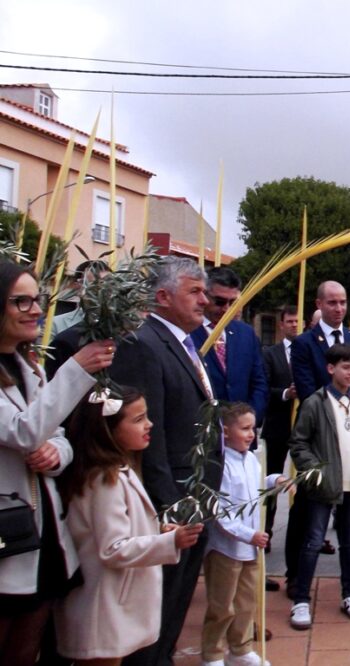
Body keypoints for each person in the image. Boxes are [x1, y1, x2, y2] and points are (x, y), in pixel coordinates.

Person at [109, 256, 223, 666]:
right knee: (158, 607)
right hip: (173, 502)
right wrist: (169, 506)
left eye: (204, 291)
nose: (205, 300)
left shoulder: (184, 342)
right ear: (162, 296)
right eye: (194, 291)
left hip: (196, 497)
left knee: (176, 604)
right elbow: (144, 435)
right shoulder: (143, 344)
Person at [0, 262, 115, 666]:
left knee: (28, 648)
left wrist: (56, 455)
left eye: (37, 299)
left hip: (43, 535)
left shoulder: (28, 366)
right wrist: (76, 370)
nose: (34, 309)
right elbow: (23, 431)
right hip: (6, 541)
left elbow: (55, 435)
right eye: (21, 301)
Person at [55, 388, 203, 664]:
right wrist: (170, 542)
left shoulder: (120, 469)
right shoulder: (103, 480)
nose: (149, 424)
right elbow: (112, 548)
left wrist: (158, 530)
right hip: (104, 606)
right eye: (138, 419)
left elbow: (121, 525)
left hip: (116, 602)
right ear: (109, 429)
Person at [286, 281, 350, 595]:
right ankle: (296, 573)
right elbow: (308, 388)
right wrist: (333, 417)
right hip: (319, 438)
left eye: (342, 303)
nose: (338, 308)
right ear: (319, 303)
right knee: (307, 509)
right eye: (332, 303)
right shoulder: (305, 343)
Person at [287, 344, 350, 629]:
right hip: (323, 487)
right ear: (331, 369)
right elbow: (299, 443)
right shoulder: (315, 402)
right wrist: (316, 473)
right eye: (345, 367)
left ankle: (349, 594)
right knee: (313, 541)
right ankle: (301, 599)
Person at [201, 402, 282, 666]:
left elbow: (256, 487)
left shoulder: (251, 459)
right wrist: (248, 534)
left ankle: (240, 649)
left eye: (253, 429)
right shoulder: (220, 464)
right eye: (245, 428)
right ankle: (212, 653)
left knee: (247, 602)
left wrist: (274, 481)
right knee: (222, 605)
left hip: (250, 548)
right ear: (225, 432)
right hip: (226, 548)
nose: (251, 434)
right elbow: (221, 511)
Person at [190, 267, 269, 425]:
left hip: (242, 435)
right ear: (204, 296)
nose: (226, 308)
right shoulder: (188, 333)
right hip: (203, 434)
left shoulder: (246, 334)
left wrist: (248, 420)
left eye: (233, 303)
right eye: (219, 302)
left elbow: (259, 382)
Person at [260, 305, 299, 587]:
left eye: (298, 320)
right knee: (272, 483)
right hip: (277, 425)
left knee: (304, 483)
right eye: (289, 321)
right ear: (281, 324)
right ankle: (267, 531)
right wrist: (286, 393)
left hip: (302, 428)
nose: (294, 325)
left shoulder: (308, 350)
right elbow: (265, 388)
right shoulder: (270, 354)